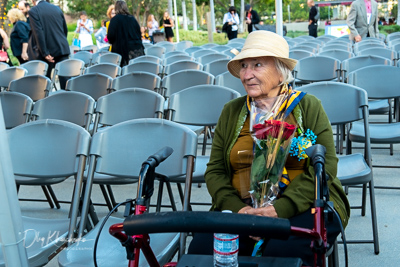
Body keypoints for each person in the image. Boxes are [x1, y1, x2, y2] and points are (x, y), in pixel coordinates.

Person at [187, 30, 350, 265]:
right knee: (202, 249)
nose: (247, 74)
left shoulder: (307, 106)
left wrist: (278, 210)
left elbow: (325, 167)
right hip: (240, 209)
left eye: (258, 64)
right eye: (243, 66)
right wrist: (239, 211)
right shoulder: (232, 111)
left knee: (282, 252)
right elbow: (215, 171)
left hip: (300, 206)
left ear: (280, 70)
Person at [28, 0, 70, 78]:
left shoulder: (33, 11)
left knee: (45, 81)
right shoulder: (57, 8)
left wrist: (45, 52)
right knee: (65, 79)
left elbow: (38, 32)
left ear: (32, 1)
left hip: (48, 51)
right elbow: (65, 29)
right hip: (61, 48)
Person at [107, 0, 145, 67]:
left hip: (121, 52)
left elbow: (110, 36)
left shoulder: (114, 20)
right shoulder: (132, 19)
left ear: (116, 8)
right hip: (136, 51)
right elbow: (139, 34)